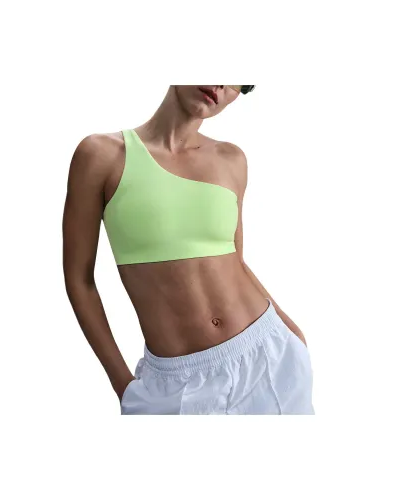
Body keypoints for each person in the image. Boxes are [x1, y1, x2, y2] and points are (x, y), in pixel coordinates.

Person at [62, 85, 315, 415]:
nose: (221, 83)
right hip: (174, 386)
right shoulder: (101, 155)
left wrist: (292, 334)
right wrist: (122, 384)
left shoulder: (231, 160)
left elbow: (236, 262)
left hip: (269, 359)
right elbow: (79, 279)